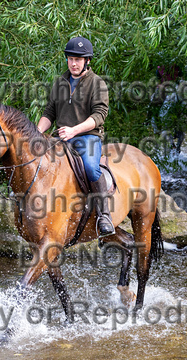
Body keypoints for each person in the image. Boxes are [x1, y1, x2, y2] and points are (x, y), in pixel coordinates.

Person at [37, 37, 114, 237]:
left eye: (78, 60)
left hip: (87, 137)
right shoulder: (60, 82)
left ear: (87, 61)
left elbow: (99, 116)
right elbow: (49, 113)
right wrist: (36, 134)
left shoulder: (97, 84)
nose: (73, 63)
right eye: (71, 59)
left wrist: (74, 130)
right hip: (60, 138)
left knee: (90, 167)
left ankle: (104, 215)